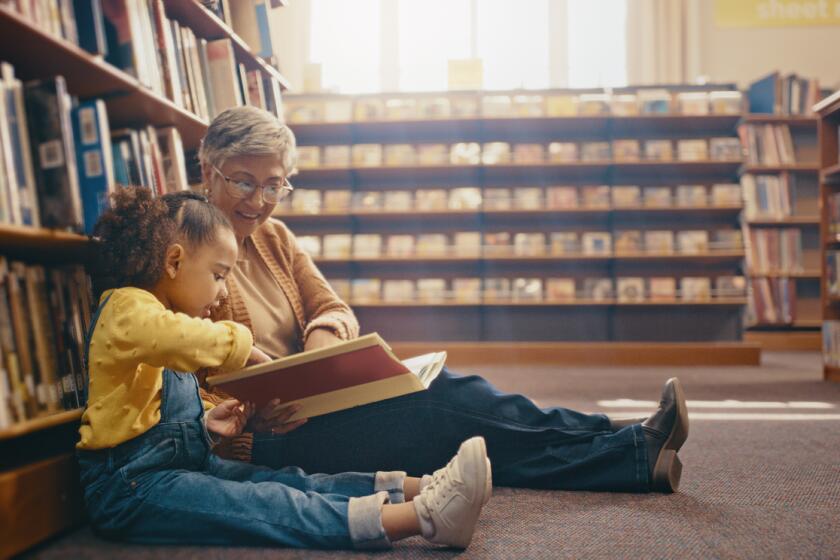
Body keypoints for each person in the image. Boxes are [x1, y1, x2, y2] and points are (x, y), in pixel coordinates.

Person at [198, 106, 689, 494]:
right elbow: (181, 370)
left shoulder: (275, 236)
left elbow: (332, 308)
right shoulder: (186, 246)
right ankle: (621, 443)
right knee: (439, 406)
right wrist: (252, 414)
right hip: (265, 437)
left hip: (324, 403)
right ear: (208, 170)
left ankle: (626, 449)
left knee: (446, 412)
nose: (258, 200)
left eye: (273, 184)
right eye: (244, 181)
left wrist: (315, 359)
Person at [75, 186, 493, 550]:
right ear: (173, 263)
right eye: (219, 276)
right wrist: (247, 348)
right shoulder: (128, 308)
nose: (222, 295)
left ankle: (415, 487)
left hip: (179, 466)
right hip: (130, 489)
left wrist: (204, 421)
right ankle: (424, 518)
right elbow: (181, 339)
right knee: (266, 505)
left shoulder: (164, 317)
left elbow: (148, 410)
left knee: (283, 481)